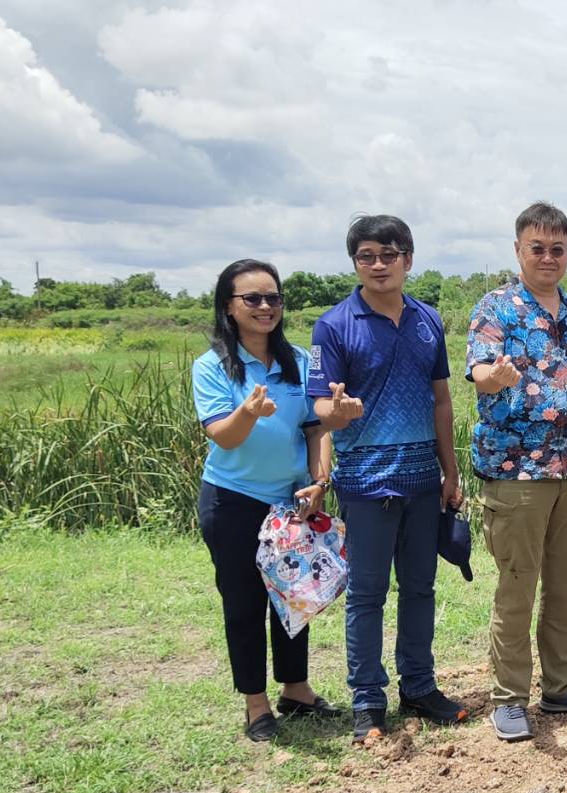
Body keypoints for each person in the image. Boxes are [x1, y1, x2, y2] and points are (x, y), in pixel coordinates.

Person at [308, 215, 468, 743]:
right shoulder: (334, 325)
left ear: (408, 259)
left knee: (420, 588)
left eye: (389, 254)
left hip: (423, 480)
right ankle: (368, 700)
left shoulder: (428, 321)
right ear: (355, 262)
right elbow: (321, 410)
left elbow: (441, 400)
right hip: (365, 482)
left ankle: (419, 687)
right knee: (367, 594)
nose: (378, 265)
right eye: (366, 256)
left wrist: (450, 470)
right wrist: (337, 412)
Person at [467, 203, 567, 743]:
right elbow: (479, 371)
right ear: (519, 250)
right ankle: (509, 697)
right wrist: (497, 376)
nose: (548, 257)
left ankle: (562, 685)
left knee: (566, 585)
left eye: (558, 249)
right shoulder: (495, 308)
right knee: (517, 586)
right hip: (517, 473)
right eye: (538, 248)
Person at [193, 259, 339, 742]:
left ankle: (296, 689)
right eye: (252, 298)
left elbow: (316, 428)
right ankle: (255, 704)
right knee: (244, 602)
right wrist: (249, 411)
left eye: (273, 297)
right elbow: (224, 436)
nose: (265, 307)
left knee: (294, 596)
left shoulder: (300, 359)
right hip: (232, 501)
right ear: (228, 307)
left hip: (290, 502)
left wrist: (319, 482)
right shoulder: (212, 366)